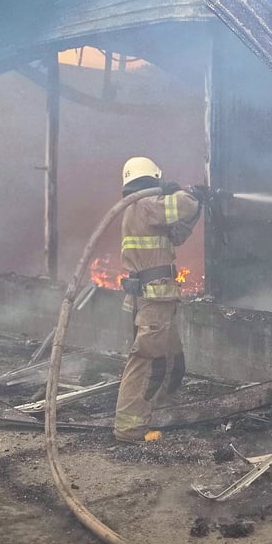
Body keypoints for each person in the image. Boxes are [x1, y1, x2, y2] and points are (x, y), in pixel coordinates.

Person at [114, 156, 203, 443]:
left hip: (158, 297)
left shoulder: (143, 209)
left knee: (172, 358)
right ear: (153, 178)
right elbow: (183, 205)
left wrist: (199, 204)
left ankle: (165, 411)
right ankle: (130, 428)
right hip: (153, 297)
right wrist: (184, 192)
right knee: (147, 362)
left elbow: (176, 234)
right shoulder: (145, 204)